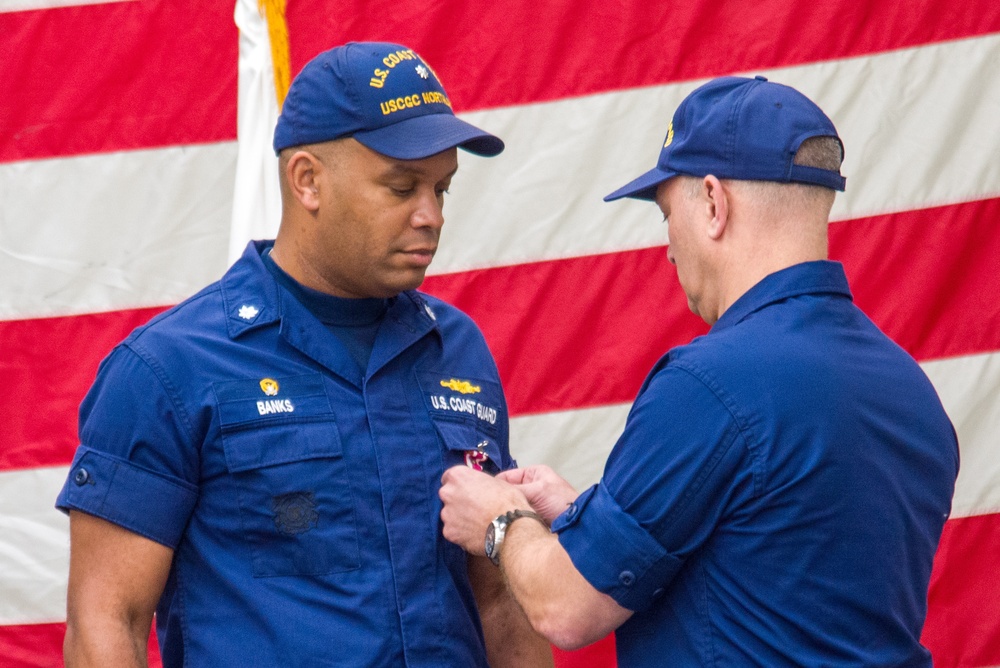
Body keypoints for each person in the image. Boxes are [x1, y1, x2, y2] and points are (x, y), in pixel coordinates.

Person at [57, 41, 552, 667]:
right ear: (308, 180)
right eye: (401, 187)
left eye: (442, 189)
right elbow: (107, 620)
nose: (430, 216)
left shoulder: (456, 348)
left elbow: (501, 600)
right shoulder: (168, 369)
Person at [439, 75, 959, 666]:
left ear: (714, 203)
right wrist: (586, 512)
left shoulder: (710, 385)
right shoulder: (910, 389)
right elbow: (770, 561)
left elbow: (566, 607)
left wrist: (500, 521)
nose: (667, 248)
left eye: (666, 216)